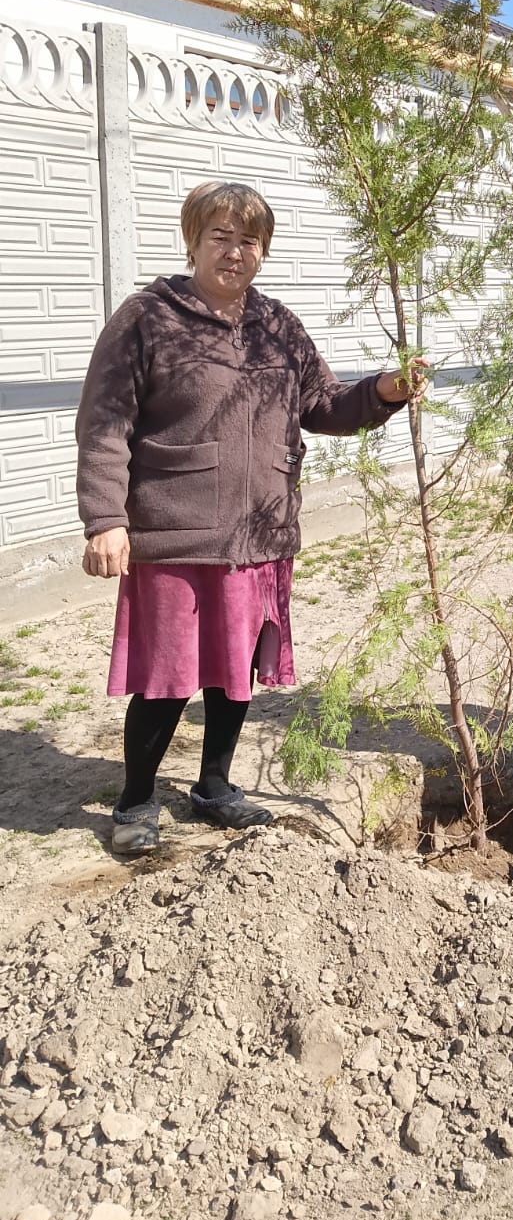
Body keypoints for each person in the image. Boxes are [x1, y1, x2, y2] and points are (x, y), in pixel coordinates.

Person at [76, 180, 424, 856]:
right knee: (167, 675)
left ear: (263, 251)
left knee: (235, 671)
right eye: (221, 237)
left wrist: (383, 392)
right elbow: (105, 423)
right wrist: (105, 518)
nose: (235, 252)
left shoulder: (277, 325)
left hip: (260, 535)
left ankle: (213, 786)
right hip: (176, 534)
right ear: (194, 240)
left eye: (250, 240)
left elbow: (324, 405)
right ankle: (137, 799)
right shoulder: (148, 317)